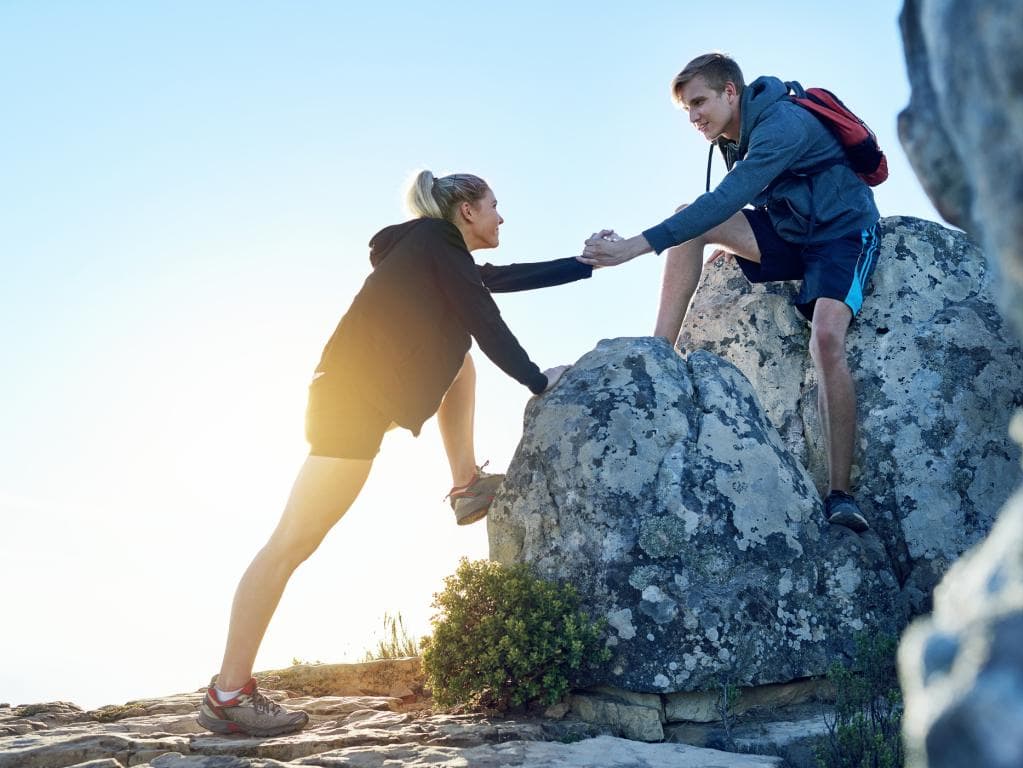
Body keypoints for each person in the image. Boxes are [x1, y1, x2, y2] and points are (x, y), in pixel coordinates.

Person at [197, 169, 592, 737]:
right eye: (494, 205)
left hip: (352, 398)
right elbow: (483, 316)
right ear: (466, 212)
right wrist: (537, 380)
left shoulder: (429, 249)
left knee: (459, 362)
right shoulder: (434, 240)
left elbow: (494, 281)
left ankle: (465, 483)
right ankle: (229, 693)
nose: (501, 217)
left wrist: (585, 264)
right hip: (349, 406)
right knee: (289, 545)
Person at [578, 52, 880, 534]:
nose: (694, 117)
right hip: (791, 231)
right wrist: (729, 239)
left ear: (731, 92)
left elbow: (725, 198)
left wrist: (633, 246)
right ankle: (659, 354)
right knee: (692, 222)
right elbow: (719, 209)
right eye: (687, 109)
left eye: (699, 102)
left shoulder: (782, 125)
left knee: (825, 339)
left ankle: (841, 494)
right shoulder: (730, 135)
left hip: (842, 233)